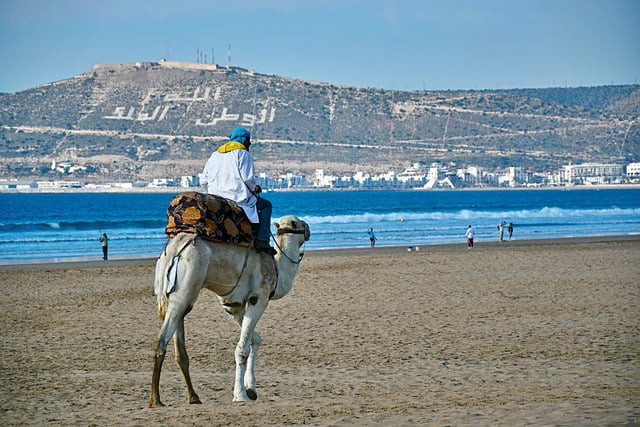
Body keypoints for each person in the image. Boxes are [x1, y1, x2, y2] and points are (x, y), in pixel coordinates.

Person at [200, 128, 276, 255]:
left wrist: (210, 194)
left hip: (215, 198)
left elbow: (203, 181)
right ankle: (262, 241)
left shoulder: (215, 155)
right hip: (236, 197)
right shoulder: (242, 153)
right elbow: (248, 178)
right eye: (248, 140)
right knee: (266, 205)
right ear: (244, 140)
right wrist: (254, 188)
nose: (249, 143)